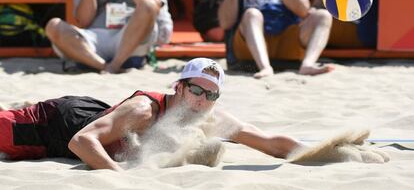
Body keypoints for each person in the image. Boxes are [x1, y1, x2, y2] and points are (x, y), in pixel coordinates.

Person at [0, 57, 388, 170]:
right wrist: (123, 181)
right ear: (179, 88)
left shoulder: (208, 116)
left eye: (211, 94)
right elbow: (80, 141)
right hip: (48, 125)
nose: (202, 101)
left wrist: (328, 150)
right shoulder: (145, 108)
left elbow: (268, 143)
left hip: (96, 117)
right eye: (196, 90)